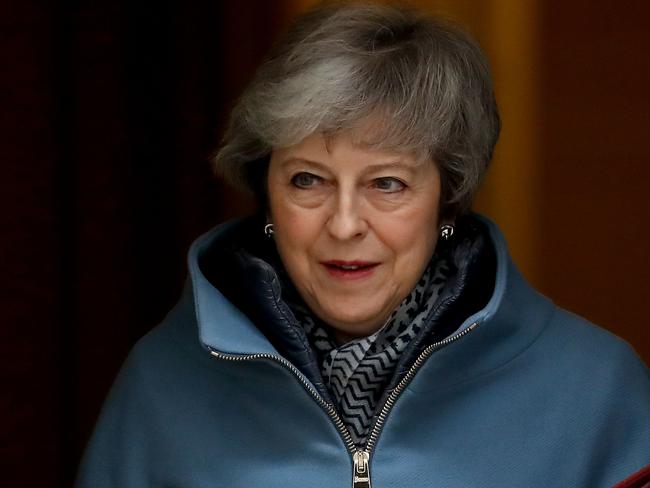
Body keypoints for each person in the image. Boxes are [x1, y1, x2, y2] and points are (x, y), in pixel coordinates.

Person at [76, 3, 650, 487]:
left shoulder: (596, 390)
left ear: (446, 200)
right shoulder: (161, 384)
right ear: (266, 193)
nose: (345, 223)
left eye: (387, 184)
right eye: (307, 180)